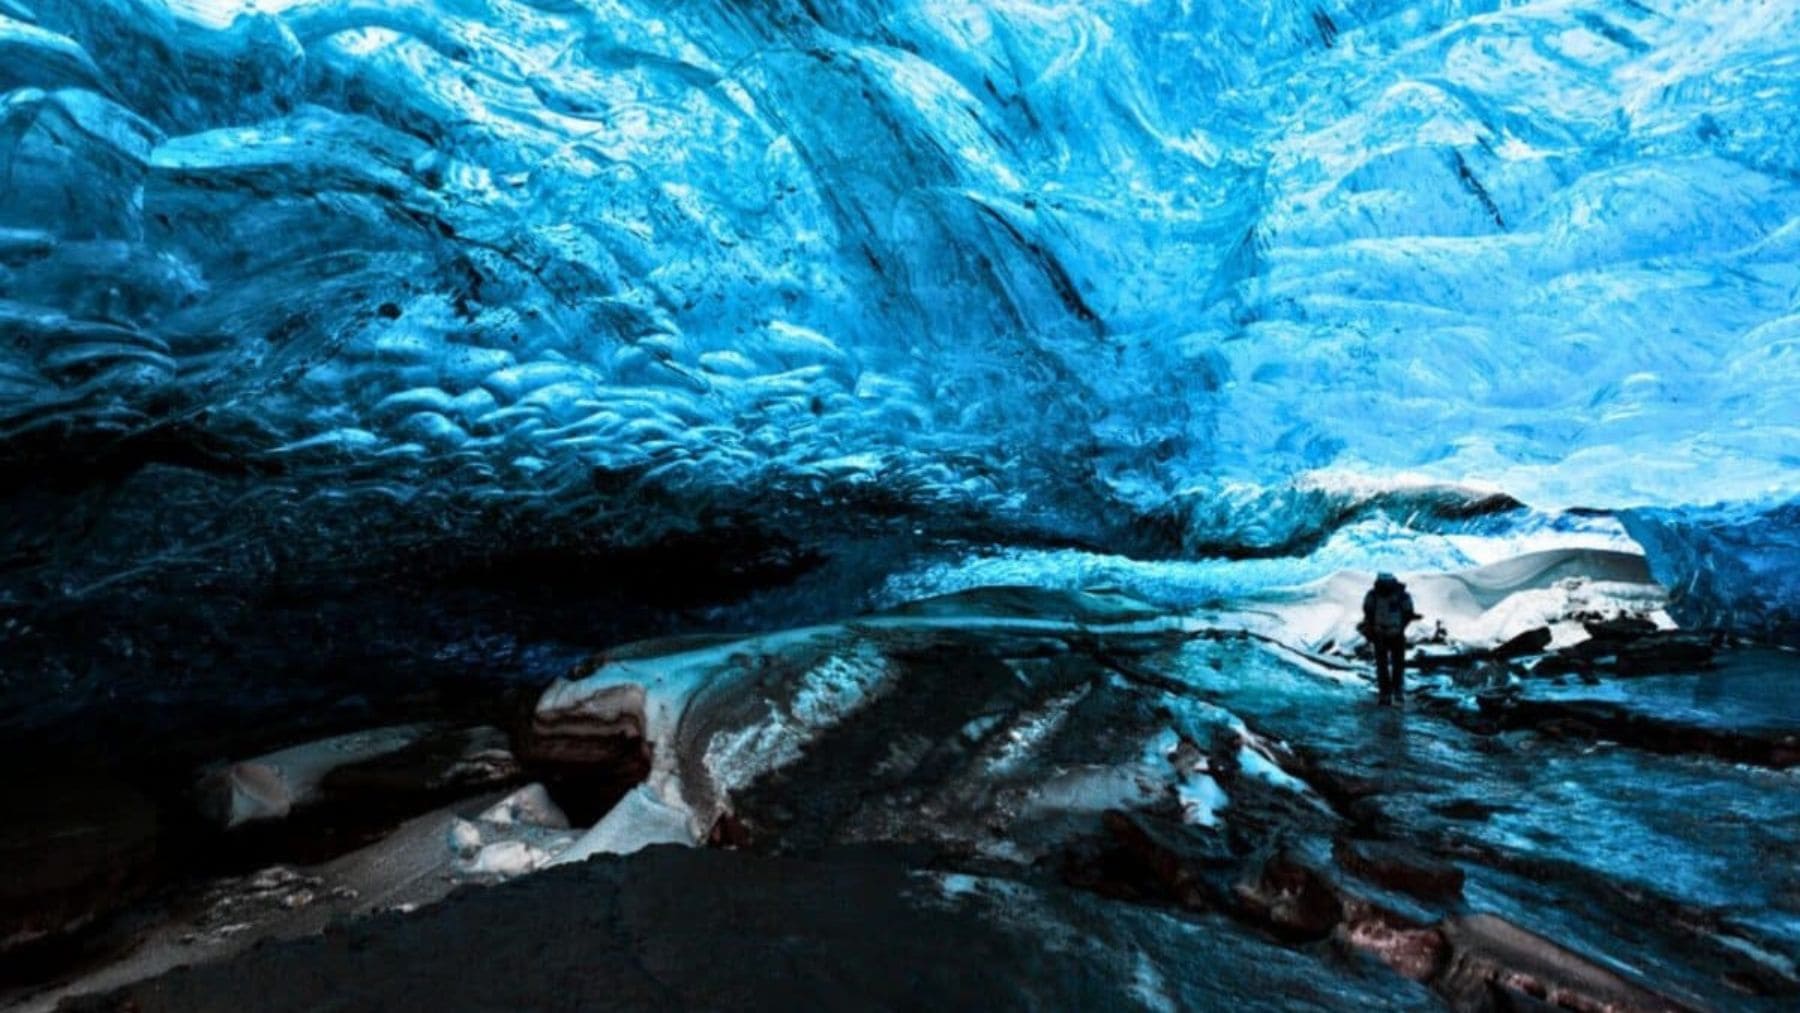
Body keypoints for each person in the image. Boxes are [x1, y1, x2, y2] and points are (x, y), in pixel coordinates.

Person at [1360, 572, 1421, 706]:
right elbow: (1408, 613)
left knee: (1385, 665)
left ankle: (1387, 693)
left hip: (1383, 633)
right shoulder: (1401, 595)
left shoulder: (1374, 595)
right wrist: (1401, 627)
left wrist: (1372, 627)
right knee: (1395, 664)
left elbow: (1367, 612)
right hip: (1392, 633)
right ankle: (1394, 693)